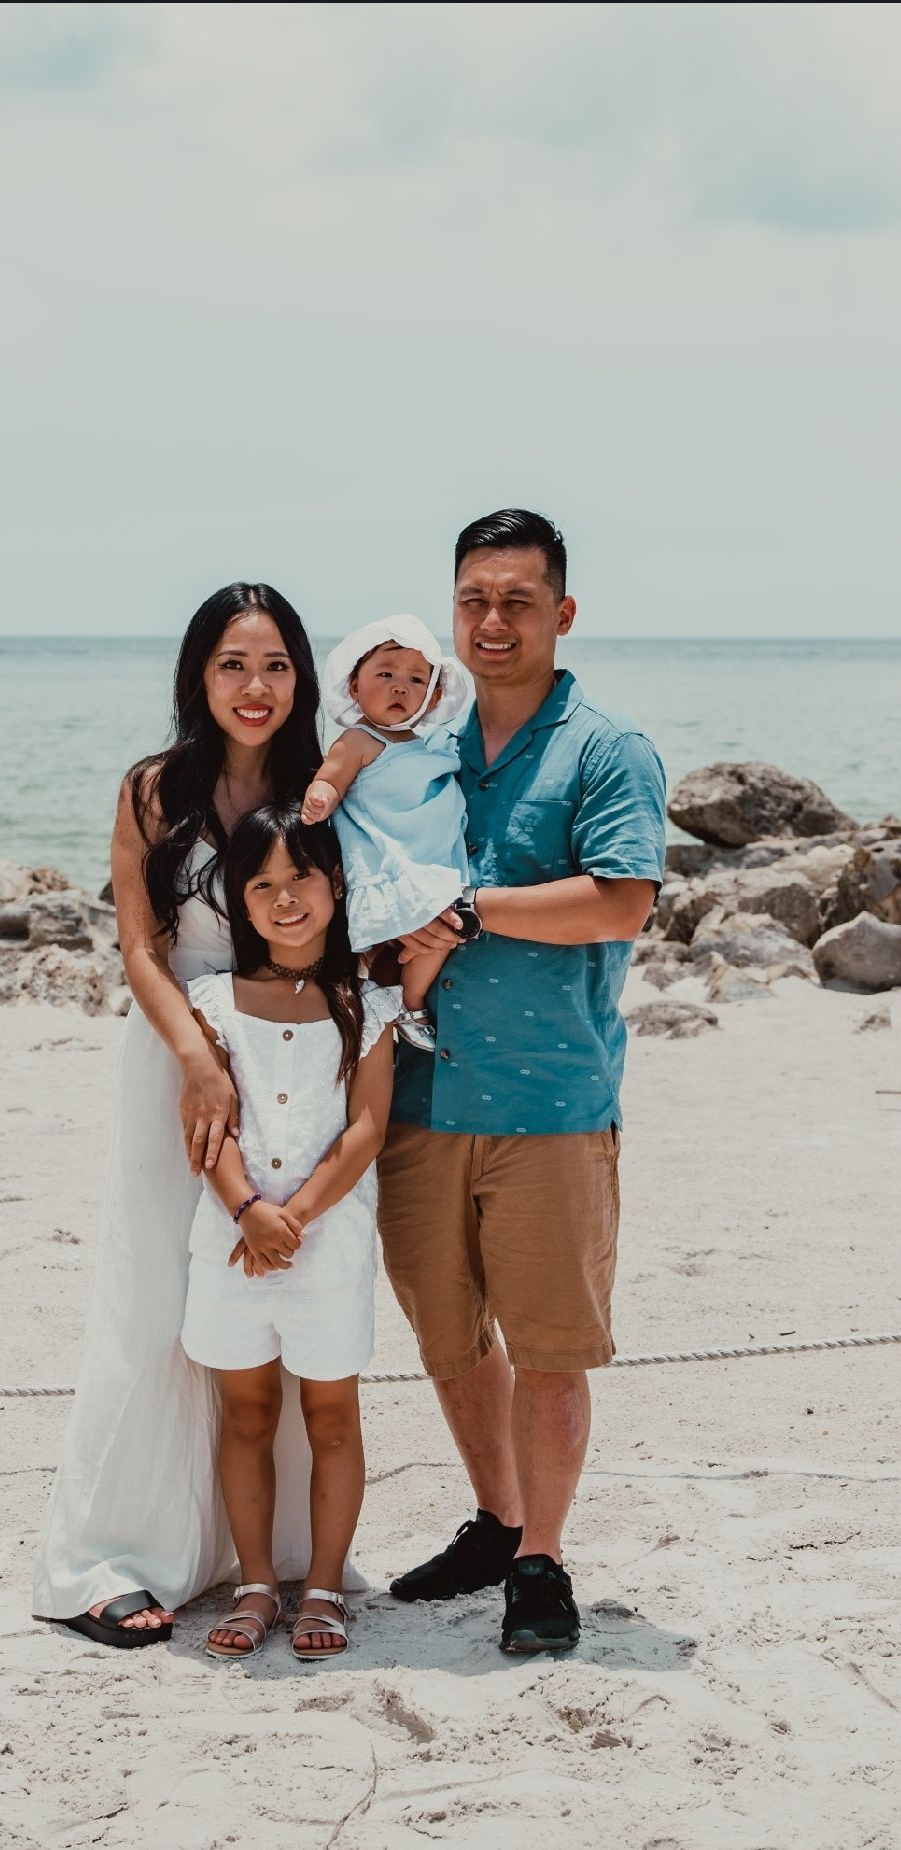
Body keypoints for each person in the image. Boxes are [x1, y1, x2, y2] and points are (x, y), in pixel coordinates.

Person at [31, 582, 358, 1647]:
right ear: (198, 675)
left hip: (298, 1056)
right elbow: (139, 944)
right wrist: (194, 1060)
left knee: (284, 1281)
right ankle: (118, 1551)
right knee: (160, 1291)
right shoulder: (150, 788)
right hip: (177, 1050)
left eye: (273, 664)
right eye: (231, 664)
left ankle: (283, 1559)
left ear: (301, 675)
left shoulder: (327, 788)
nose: (254, 686)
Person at [376, 509, 666, 1654]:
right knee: (449, 1336)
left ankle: (542, 1556)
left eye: (518, 600)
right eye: (474, 600)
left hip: (551, 1098)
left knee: (549, 1345)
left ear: (562, 612)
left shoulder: (605, 747)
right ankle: (496, 1519)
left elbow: (621, 897)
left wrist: (465, 910)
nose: (493, 621)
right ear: (452, 608)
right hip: (413, 1096)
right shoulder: (420, 736)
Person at [182, 804, 398, 1660]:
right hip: (231, 1245)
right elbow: (207, 1129)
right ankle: (258, 1582)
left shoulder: (368, 1003)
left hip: (328, 1248)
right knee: (245, 1415)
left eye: (302, 877)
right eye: (262, 884)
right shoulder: (211, 1001)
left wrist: (294, 1218)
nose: (285, 898)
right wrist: (248, 1211)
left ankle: (324, 1586)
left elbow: (367, 1130)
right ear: (239, 898)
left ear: (336, 885)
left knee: (333, 1418)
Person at [301, 614, 471, 1049]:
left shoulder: (426, 745)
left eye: (416, 679)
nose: (400, 686)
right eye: (385, 674)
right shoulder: (357, 739)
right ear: (355, 687)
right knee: (437, 928)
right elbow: (331, 776)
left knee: (439, 933)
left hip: (422, 854)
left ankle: (396, 999)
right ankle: (410, 1004)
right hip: (387, 859)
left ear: (431, 698)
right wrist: (321, 795)